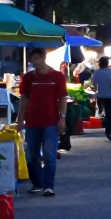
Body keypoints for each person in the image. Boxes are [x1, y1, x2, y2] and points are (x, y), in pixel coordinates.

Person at [15, 48, 68, 197]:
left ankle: (48, 186)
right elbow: (24, 99)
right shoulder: (28, 78)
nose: (34, 62)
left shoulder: (57, 76)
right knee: (32, 155)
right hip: (32, 122)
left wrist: (62, 118)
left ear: (43, 57)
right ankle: (37, 183)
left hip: (51, 122)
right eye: (32, 60)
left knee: (49, 155)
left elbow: (63, 98)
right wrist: (20, 119)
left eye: (36, 59)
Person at [90, 56, 111, 142]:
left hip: (100, 96)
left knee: (102, 112)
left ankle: (107, 127)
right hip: (110, 96)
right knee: (110, 114)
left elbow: (94, 84)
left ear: (100, 64)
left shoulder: (96, 73)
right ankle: (109, 130)